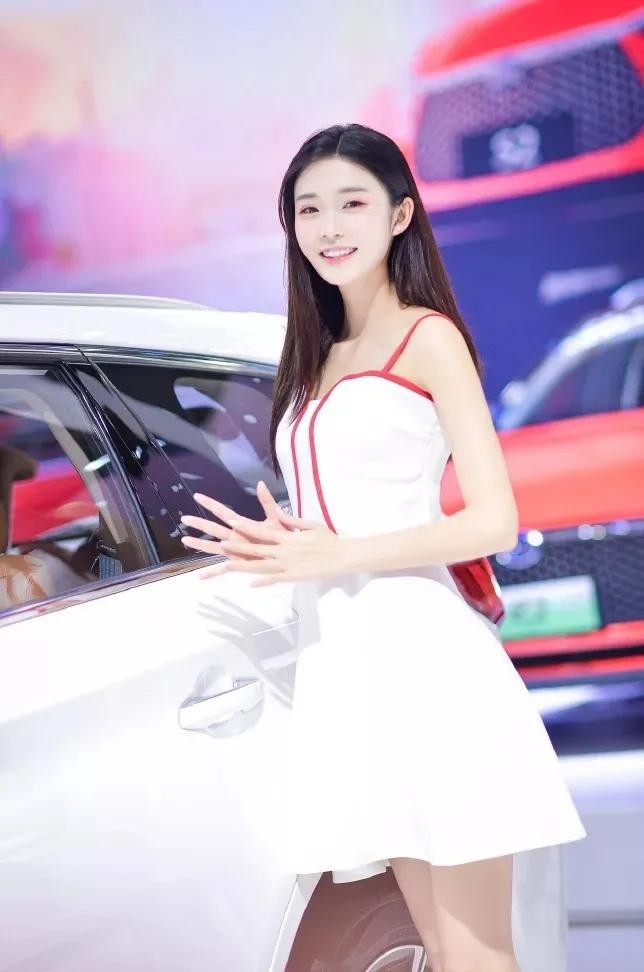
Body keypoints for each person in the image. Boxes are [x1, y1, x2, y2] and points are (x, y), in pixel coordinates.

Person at [179, 123, 587, 972]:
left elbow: (494, 520)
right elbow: (336, 510)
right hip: (348, 668)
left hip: (429, 663)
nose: (329, 227)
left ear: (400, 215)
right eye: (309, 209)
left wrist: (337, 554)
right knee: (434, 948)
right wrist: (287, 541)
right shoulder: (314, 355)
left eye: (352, 204)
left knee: (477, 953)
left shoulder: (427, 337)